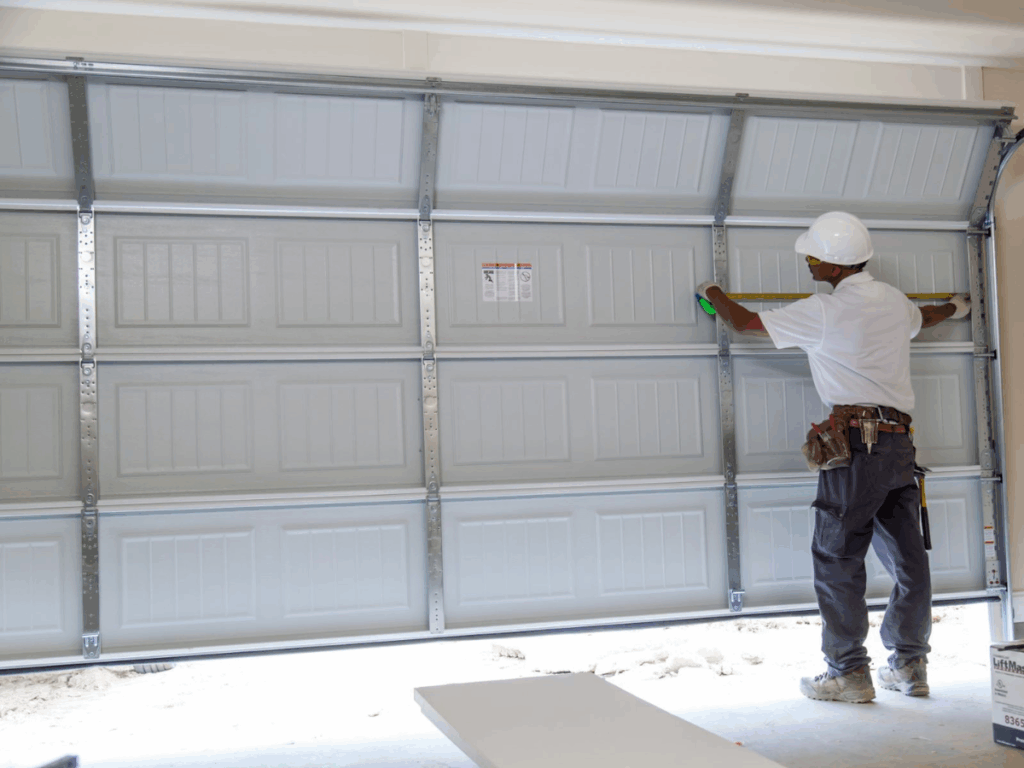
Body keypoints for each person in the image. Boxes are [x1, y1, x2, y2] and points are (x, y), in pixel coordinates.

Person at [697, 211, 971, 704]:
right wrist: (955, 307)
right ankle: (910, 665)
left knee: (837, 557)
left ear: (835, 266)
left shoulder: (823, 311)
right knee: (908, 559)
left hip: (857, 449)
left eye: (813, 255)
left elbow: (744, 322)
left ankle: (848, 672)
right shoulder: (891, 300)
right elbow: (923, 319)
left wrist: (711, 290)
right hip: (898, 447)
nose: (807, 260)